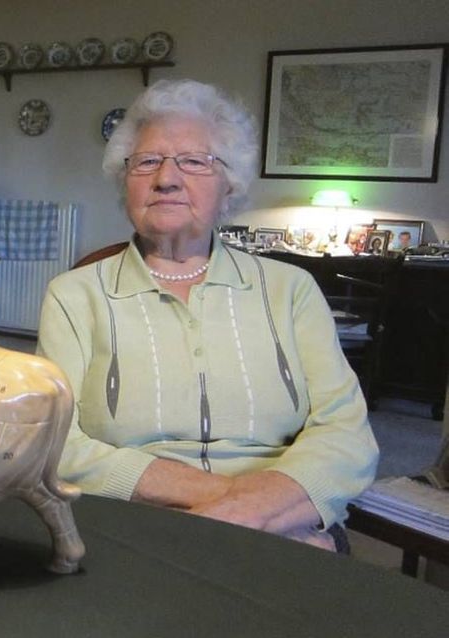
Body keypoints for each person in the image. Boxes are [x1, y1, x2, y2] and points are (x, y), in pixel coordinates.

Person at [37, 79, 378, 551]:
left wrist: (267, 508)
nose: (166, 178)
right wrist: (238, 508)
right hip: (136, 523)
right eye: (147, 161)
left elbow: (346, 435)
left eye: (194, 161)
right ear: (125, 180)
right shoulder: (75, 296)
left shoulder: (290, 289)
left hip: (287, 523)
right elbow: (57, 443)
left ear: (229, 184)